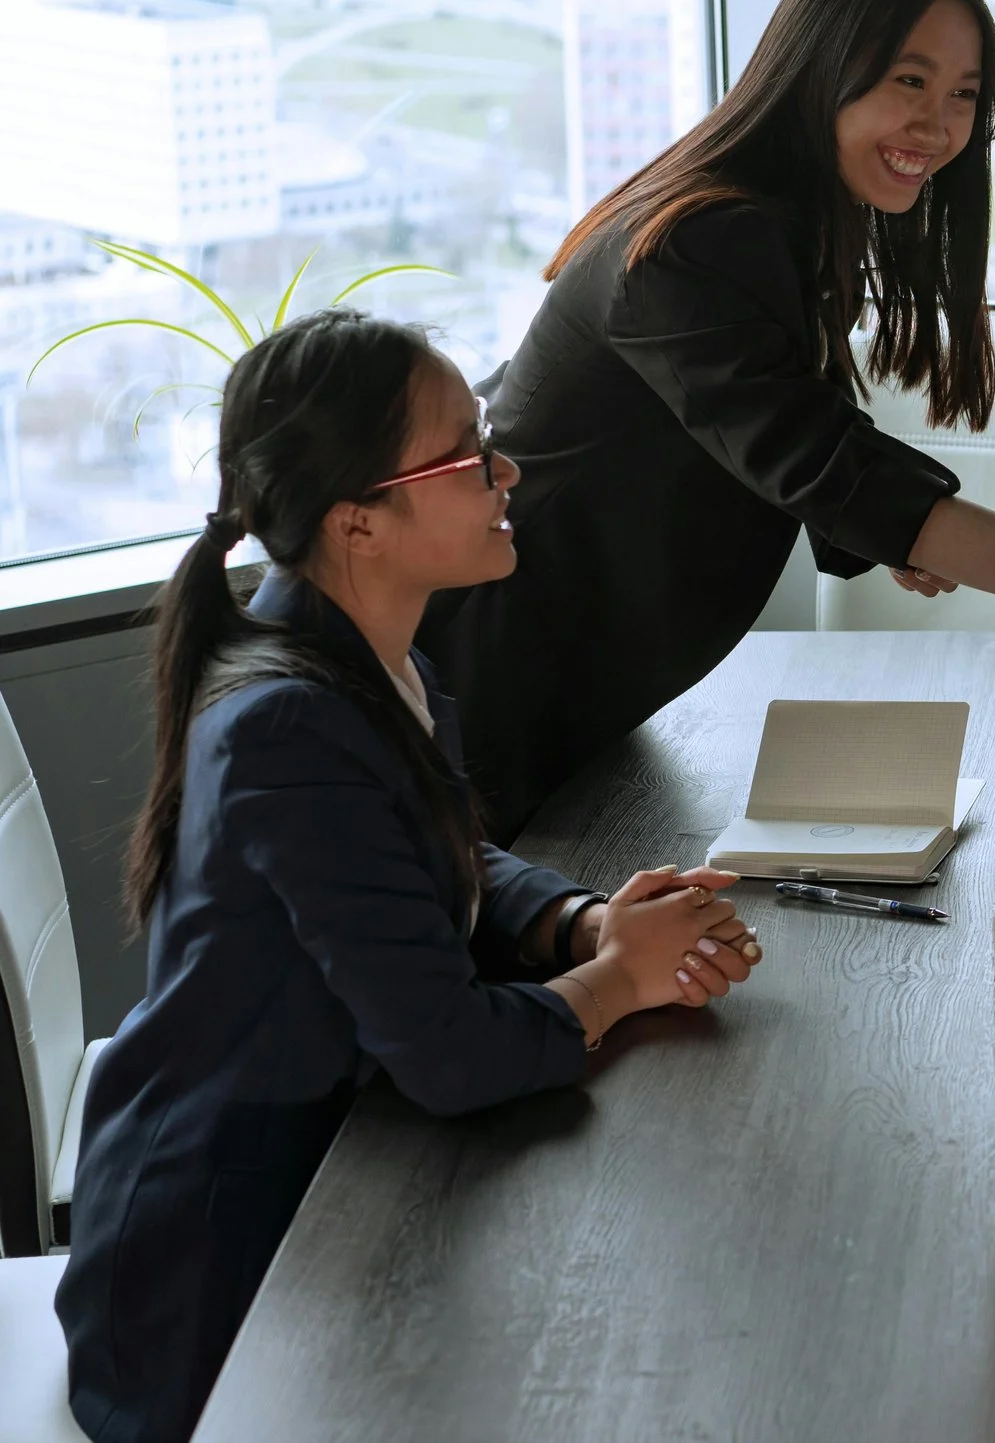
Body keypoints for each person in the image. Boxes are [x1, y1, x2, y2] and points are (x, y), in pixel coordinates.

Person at [55, 311, 759, 1443]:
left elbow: (439, 855)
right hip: (223, 1279)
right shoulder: (286, 720)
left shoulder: (375, 661)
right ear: (357, 522)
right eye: (469, 455)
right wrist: (621, 982)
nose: (506, 470)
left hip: (336, 1187)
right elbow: (449, 1054)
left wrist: (579, 928)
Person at [417, 0, 995, 840]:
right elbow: (830, 465)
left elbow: (787, 434)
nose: (939, 128)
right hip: (476, 706)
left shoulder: (784, 226)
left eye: (963, 96)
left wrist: (890, 529)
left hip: (573, 704)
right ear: (823, 61)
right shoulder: (708, 240)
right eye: (909, 81)